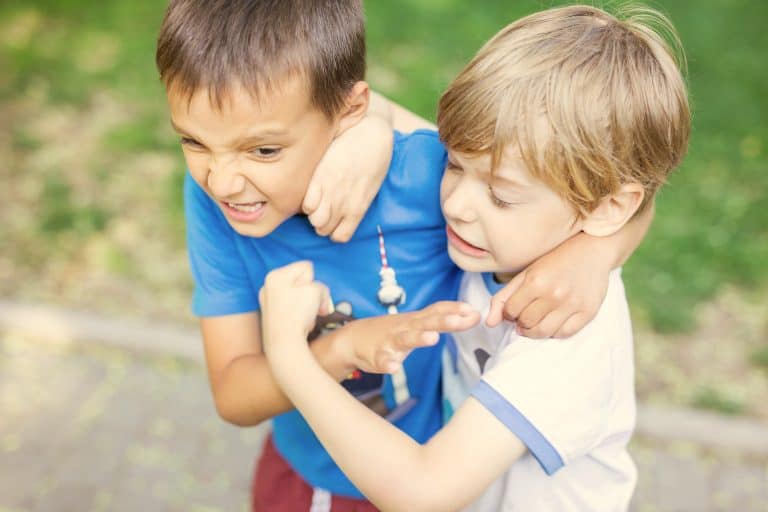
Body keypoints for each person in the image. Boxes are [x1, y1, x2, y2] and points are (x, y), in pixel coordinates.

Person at [155, 1, 653, 510]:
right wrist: (337, 350)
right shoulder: (216, 202)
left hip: (417, 475)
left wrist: (598, 250)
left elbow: (608, 192)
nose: (222, 180)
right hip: (314, 476)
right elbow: (234, 393)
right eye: (193, 142)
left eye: (263, 151)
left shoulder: (445, 186)